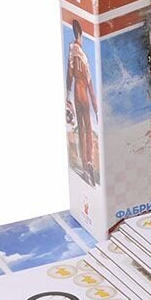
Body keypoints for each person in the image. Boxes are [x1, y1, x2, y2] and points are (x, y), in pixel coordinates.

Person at [66, 19, 98, 185]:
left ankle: (85, 166)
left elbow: (69, 74)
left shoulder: (72, 51)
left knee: (81, 129)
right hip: (85, 94)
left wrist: (67, 94)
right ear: (80, 34)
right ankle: (89, 162)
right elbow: (91, 86)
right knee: (88, 129)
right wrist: (96, 108)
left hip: (77, 94)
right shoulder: (84, 58)